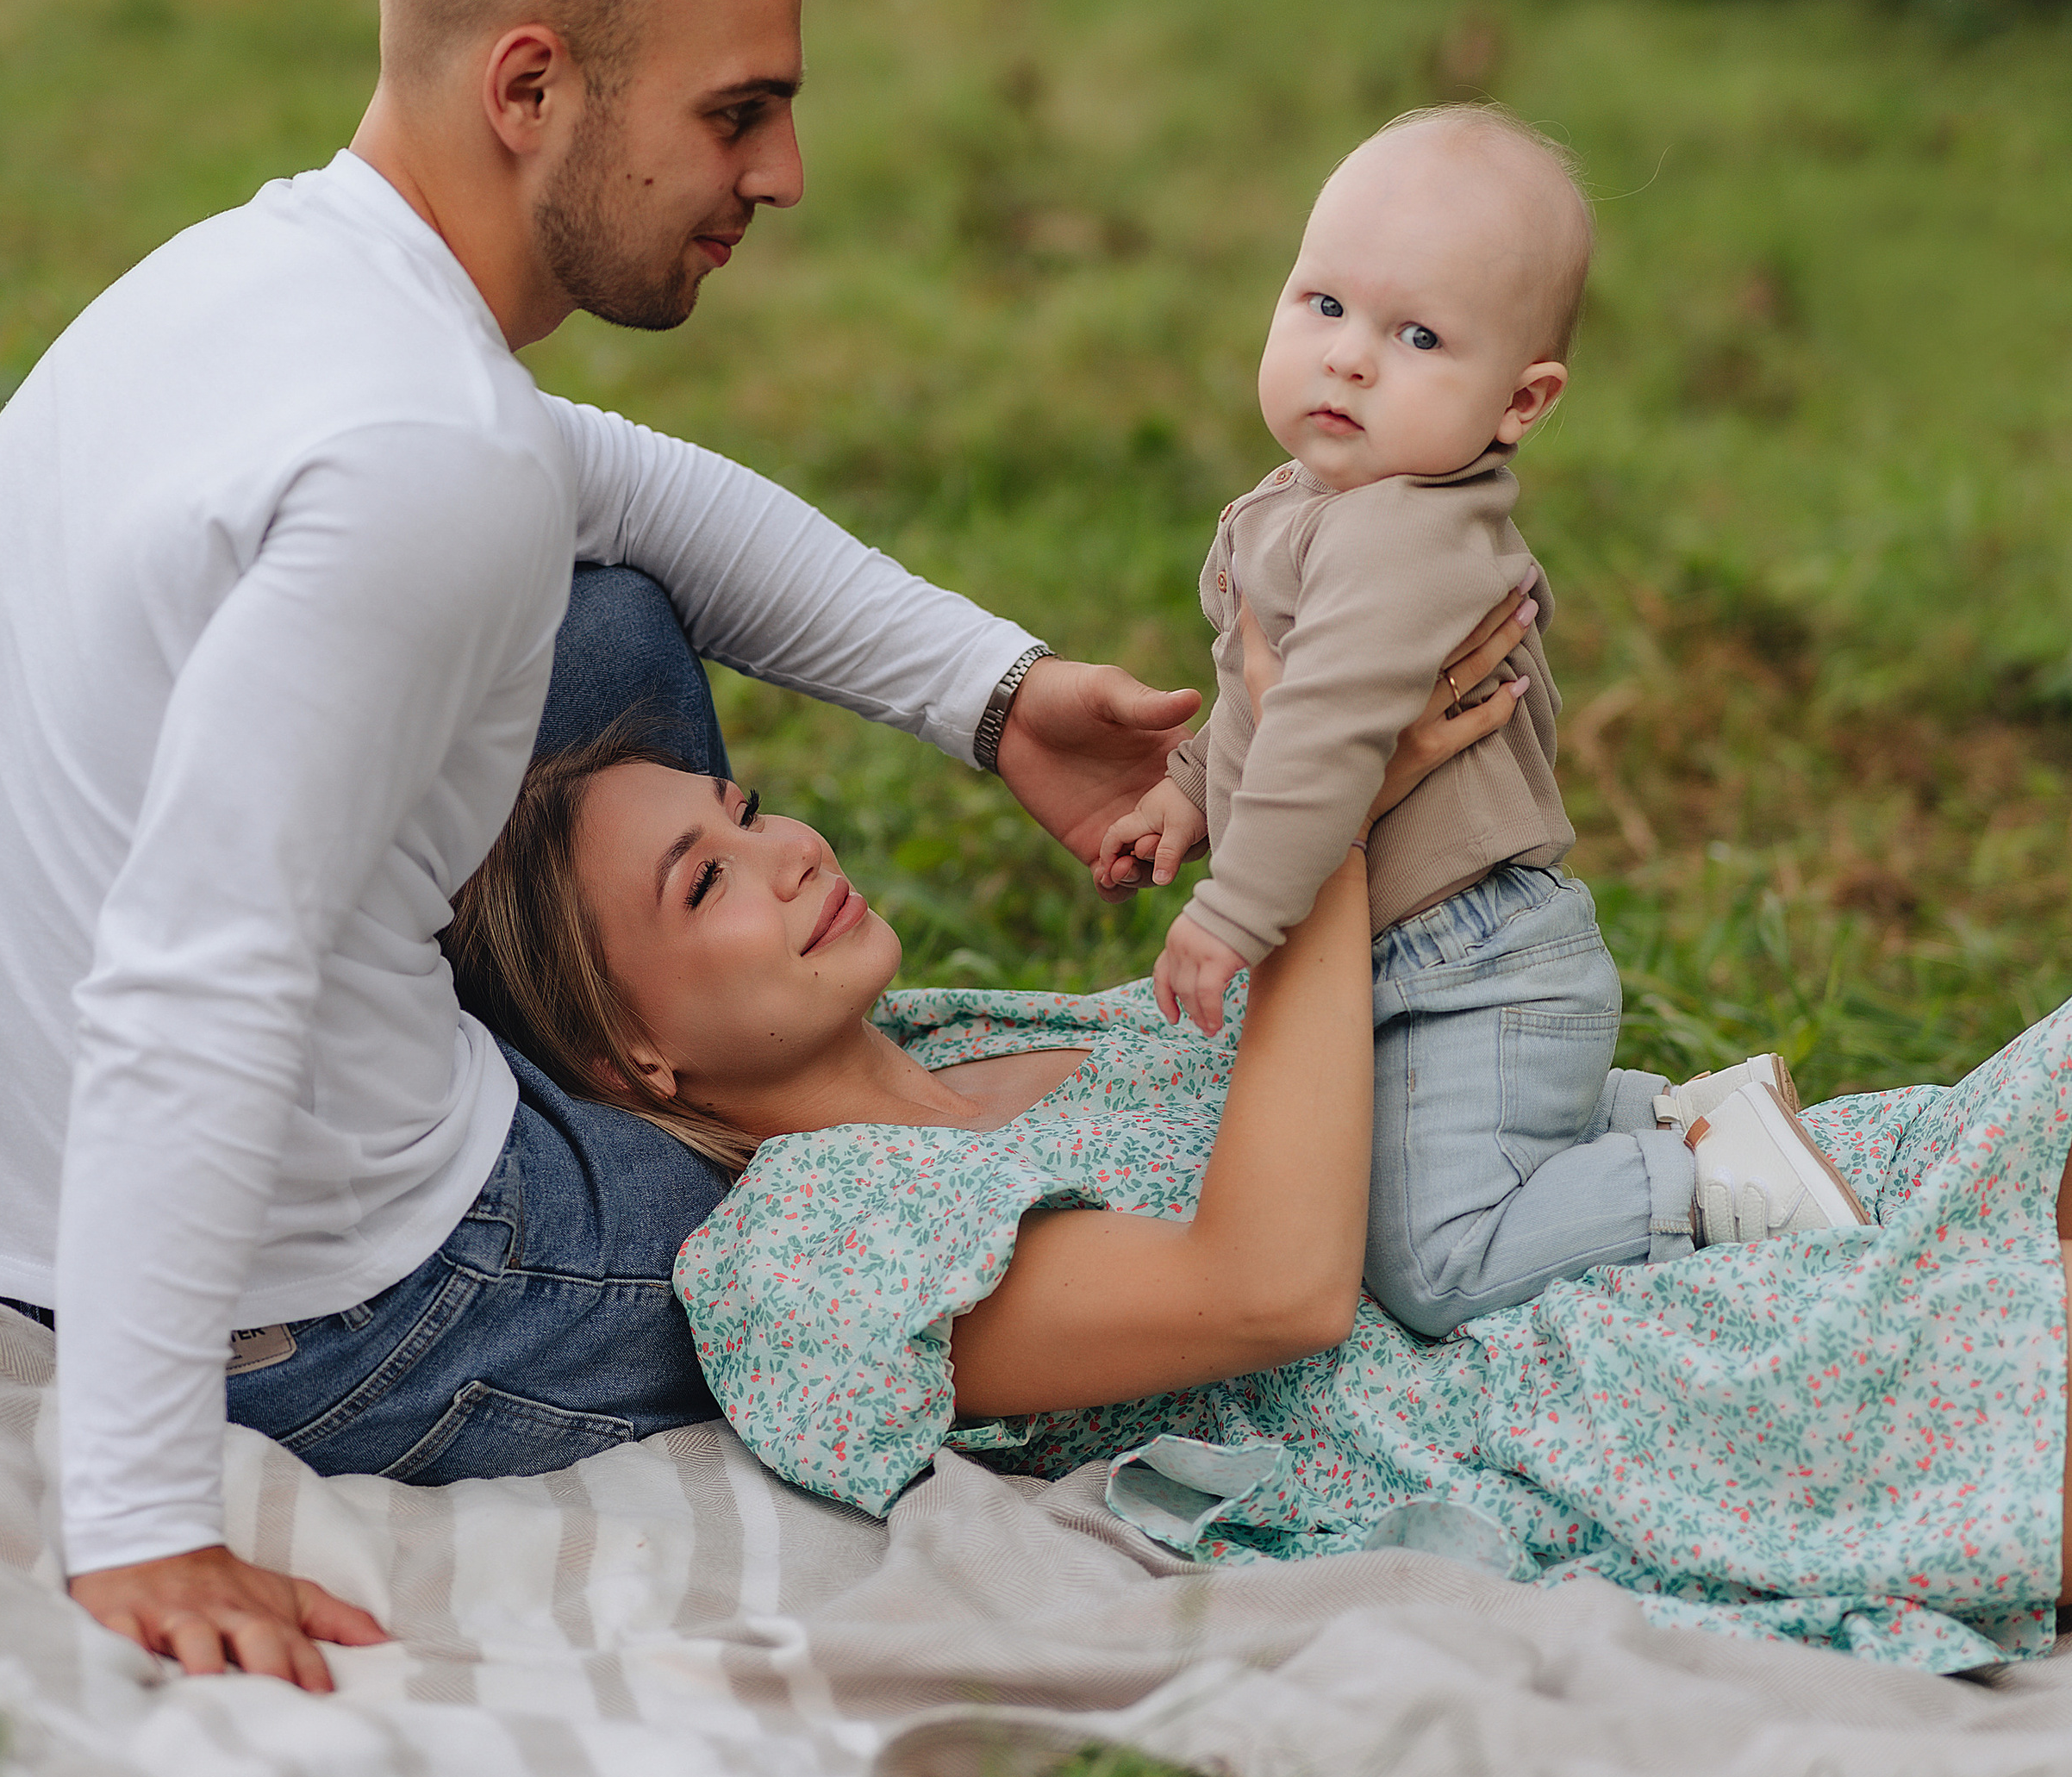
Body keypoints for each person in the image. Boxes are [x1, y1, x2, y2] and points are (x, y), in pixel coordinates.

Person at [0, 0, 1200, 1690]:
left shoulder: (274, 278)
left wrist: (990, 696)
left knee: (605, 610)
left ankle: (665, 1027)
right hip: (327, 1295)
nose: (786, 172)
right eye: (735, 112)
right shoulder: (425, 463)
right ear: (529, 87)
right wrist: (145, 1504)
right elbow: (197, 967)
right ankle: (695, 1083)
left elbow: (625, 489)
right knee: (883, 1246)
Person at [445, 597, 2072, 1677]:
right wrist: (1322, 831)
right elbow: (1272, 1287)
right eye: (704, 881)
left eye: (743, 811)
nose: (786, 846)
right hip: (1557, 1400)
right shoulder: (800, 1260)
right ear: (627, 1052)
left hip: (1615, 1201)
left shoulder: (971, 1033)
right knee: (2007, 1344)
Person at [1093, 106, 1863, 1332]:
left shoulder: (1409, 535)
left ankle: (1708, 1178)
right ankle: (1650, 1119)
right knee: (1380, 1168)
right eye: (1323, 303)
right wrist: (1188, 789)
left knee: (1434, 1265)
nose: (1348, 356)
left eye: (1417, 334)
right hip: (1416, 948)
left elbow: (1326, 733)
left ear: (1521, 400)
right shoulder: (1304, 502)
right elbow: (1265, 699)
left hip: (1472, 968)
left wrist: (1235, 906)